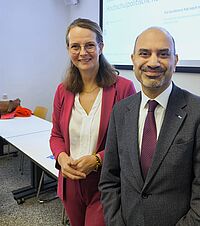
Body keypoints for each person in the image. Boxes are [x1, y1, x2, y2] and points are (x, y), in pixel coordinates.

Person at [99, 27, 200, 226]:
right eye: (144, 53)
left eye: (163, 54)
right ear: (133, 59)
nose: (153, 62)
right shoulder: (120, 111)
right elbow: (109, 179)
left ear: (175, 61)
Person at [49, 18, 135, 226]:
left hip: (106, 183)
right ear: (68, 49)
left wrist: (97, 160)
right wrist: (61, 158)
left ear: (101, 46)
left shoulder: (123, 89)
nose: (82, 52)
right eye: (75, 46)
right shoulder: (63, 90)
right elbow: (56, 135)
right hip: (70, 182)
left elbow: (130, 142)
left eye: (89, 45)